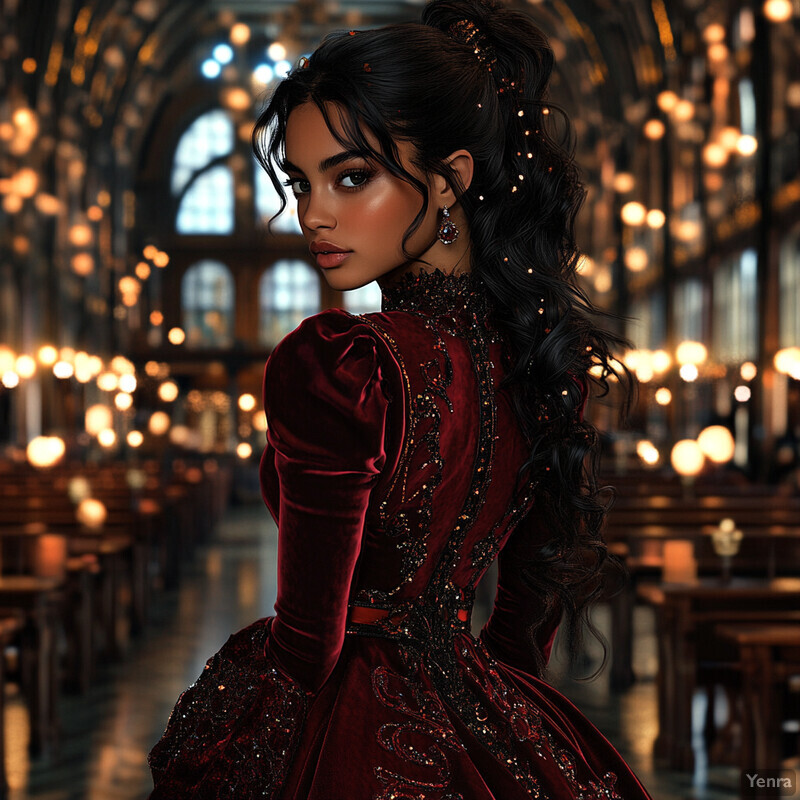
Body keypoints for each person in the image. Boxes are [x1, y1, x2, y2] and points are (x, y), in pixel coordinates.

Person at [148, 0, 652, 797]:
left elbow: (309, 641)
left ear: (451, 179)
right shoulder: (541, 365)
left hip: (347, 728)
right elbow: (523, 627)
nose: (313, 213)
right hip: (489, 709)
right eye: (299, 182)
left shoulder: (342, 365)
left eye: (352, 177)